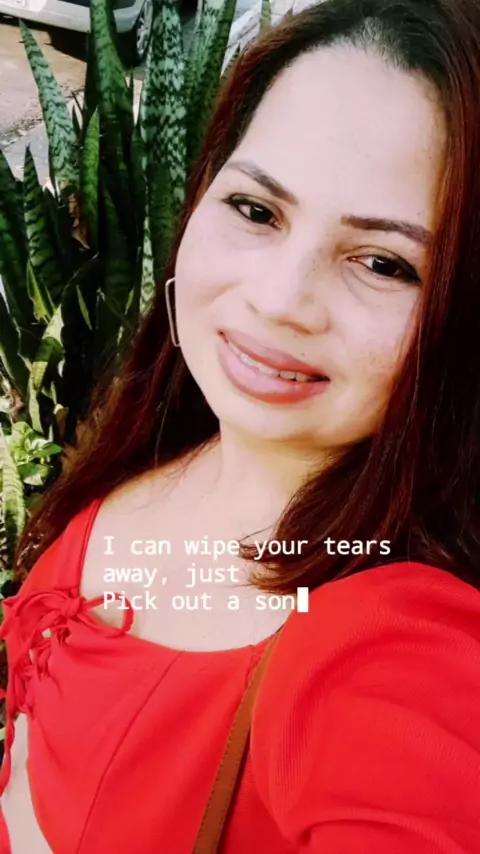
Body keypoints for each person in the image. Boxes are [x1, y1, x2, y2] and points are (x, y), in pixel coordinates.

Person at [2, 0, 480, 850]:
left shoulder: (399, 644)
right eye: (257, 210)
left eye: (383, 262)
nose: (279, 300)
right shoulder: (167, 442)